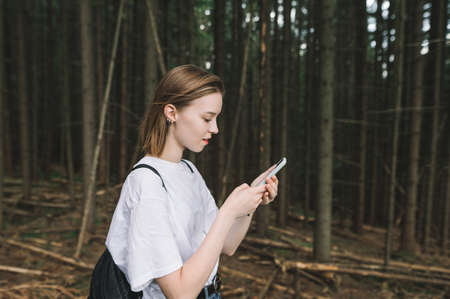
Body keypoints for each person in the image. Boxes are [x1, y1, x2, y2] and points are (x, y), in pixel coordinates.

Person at [105, 64, 279, 299]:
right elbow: (179, 293)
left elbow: (227, 245)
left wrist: (251, 202)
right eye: (207, 118)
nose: (215, 128)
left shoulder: (188, 170)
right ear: (171, 113)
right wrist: (228, 211)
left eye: (216, 118)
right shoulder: (146, 184)